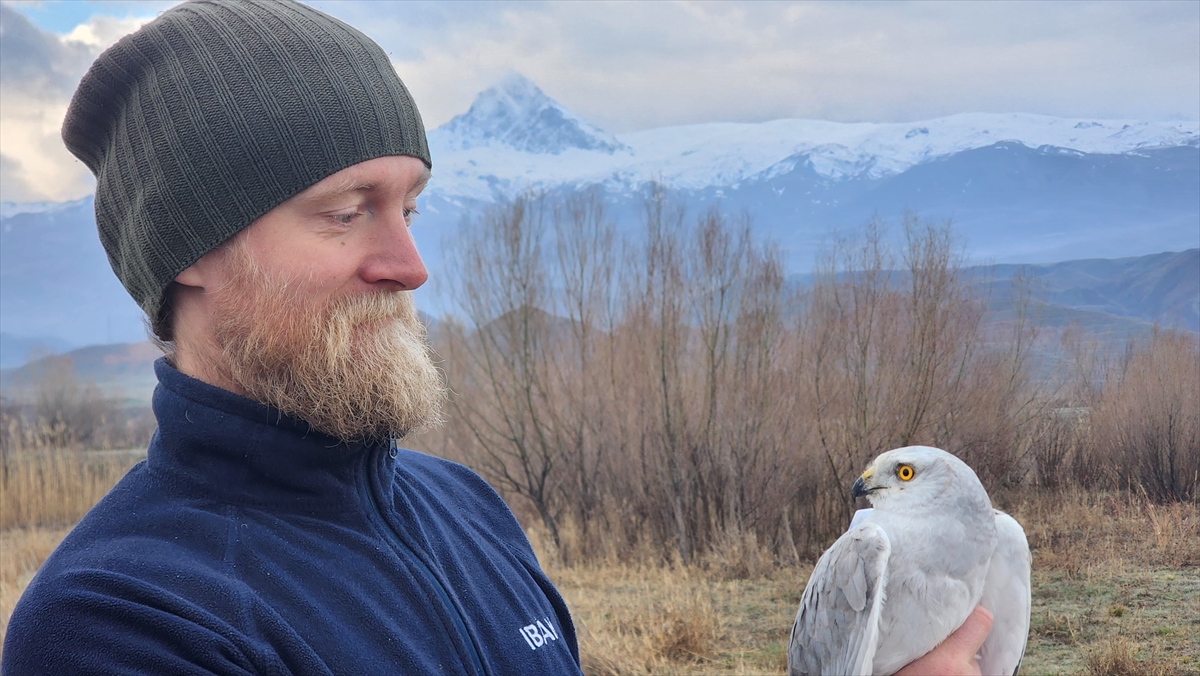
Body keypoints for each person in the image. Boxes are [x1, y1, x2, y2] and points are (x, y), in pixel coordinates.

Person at [0, 1, 991, 674]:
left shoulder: (462, 506)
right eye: (346, 212)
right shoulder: (122, 621)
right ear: (190, 251)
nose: (408, 264)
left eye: (410, 208)